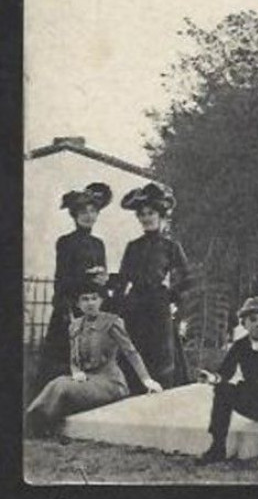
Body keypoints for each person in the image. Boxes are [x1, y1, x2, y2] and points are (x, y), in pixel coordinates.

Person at [27, 278, 161, 437]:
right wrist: (76, 371)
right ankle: (31, 422)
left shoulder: (112, 322)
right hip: (88, 381)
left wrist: (147, 380)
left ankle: (36, 426)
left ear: (101, 301)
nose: (90, 303)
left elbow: (130, 352)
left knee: (63, 386)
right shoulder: (75, 326)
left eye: (94, 298)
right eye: (85, 299)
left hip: (111, 383)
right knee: (55, 383)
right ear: (78, 304)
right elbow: (74, 357)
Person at [199, 296, 258, 470]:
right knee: (223, 390)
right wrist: (213, 379)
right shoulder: (240, 345)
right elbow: (225, 373)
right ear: (244, 323)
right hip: (251, 400)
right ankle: (217, 446)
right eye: (253, 319)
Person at [37, 182, 112, 387]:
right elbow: (62, 278)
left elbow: (102, 278)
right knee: (65, 358)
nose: (89, 215)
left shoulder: (99, 244)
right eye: (83, 211)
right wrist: (86, 278)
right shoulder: (65, 242)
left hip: (92, 308)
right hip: (70, 306)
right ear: (74, 214)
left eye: (93, 210)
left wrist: (103, 281)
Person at [117, 182, 191, 390]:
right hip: (135, 306)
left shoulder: (170, 246)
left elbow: (187, 277)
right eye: (142, 214)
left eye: (150, 213)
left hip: (158, 306)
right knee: (134, 353)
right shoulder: (133, 247)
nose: (146, 218)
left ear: (160, 215)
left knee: (162, 356)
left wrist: (171, 295)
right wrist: (118, 306)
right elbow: (123, 279)